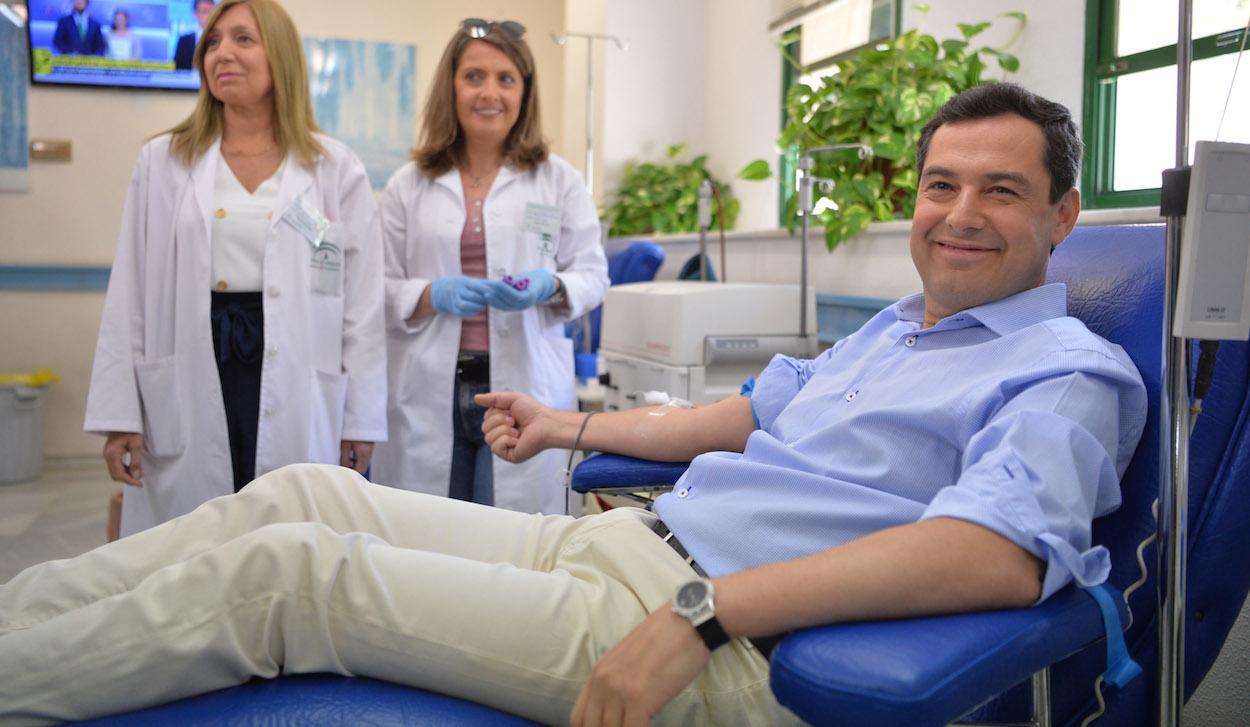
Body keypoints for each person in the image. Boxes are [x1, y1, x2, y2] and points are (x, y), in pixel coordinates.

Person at [0, 84, 1146, 726]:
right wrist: (571, 426)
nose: (957, 212)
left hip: (722, 636)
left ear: (1060, 215)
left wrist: (703, 615)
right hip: (618, 545)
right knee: (305, 490)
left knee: (297, 575)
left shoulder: (1064, 373)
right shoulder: (897, 329)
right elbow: (737, 418)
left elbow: (992, 554)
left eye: (1000, 190)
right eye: (941, 184)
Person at [81, 0, 386, 538]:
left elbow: (361, 307)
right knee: (193, 538)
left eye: (243, 39)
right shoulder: (163, 161)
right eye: (214, 42)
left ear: (281, 57)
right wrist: (120, 416)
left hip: (293, 365)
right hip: (195, 356)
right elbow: (128, 290)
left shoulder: (333, 167)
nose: (223, 52)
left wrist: (360, 419)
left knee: (287, 532)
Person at [371, 19, 608, 513]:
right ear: (451, 86)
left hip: (523, 388)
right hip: (429, 388)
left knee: (512, 547)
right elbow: (375, 286)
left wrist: (550, 284)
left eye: (506, 79)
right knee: (429, 540)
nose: (489, 92)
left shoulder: (557, 180)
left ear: (524, 92)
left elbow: (593, 275)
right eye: (473, 76)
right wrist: (429, 294)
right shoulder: (408, 184)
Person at [173, 0, 215, 70]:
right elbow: (178, 71)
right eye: (205, 11)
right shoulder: (184, 41)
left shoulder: (222, 40)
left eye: (212, 12)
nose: (210, 16)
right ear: (195, 14)